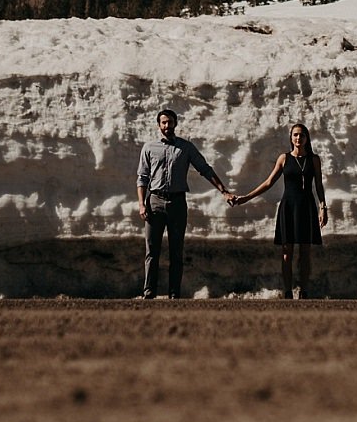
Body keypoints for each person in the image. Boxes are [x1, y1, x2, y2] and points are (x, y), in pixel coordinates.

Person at [136, 108, 233, 299]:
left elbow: (205, 169)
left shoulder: (186, 148)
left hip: (177, 202)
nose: (167, 126)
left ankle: (174, 294)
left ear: (175, 123)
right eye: (163, 122)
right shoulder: (149, 147)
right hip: (154, 201)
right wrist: (141, 204)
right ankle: (149, 293)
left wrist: (224, 191)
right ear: (159, 125)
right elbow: (142, 177)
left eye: (170, 122)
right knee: (152, 251)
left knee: (176, 251)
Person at [231, 123, 328, 299]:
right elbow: (268, 183)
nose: (299, 138)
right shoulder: (284, 159)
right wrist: (246, 198)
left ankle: (304, 291)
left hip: (306, 206)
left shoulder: (314, 159)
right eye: (296, 135)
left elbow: (319, 185)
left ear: (307, 138)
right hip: (288, 207)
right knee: (286, 251)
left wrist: (323, 207)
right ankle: (288, 291)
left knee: (305, 251)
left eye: (302, 135)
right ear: (291, 138)